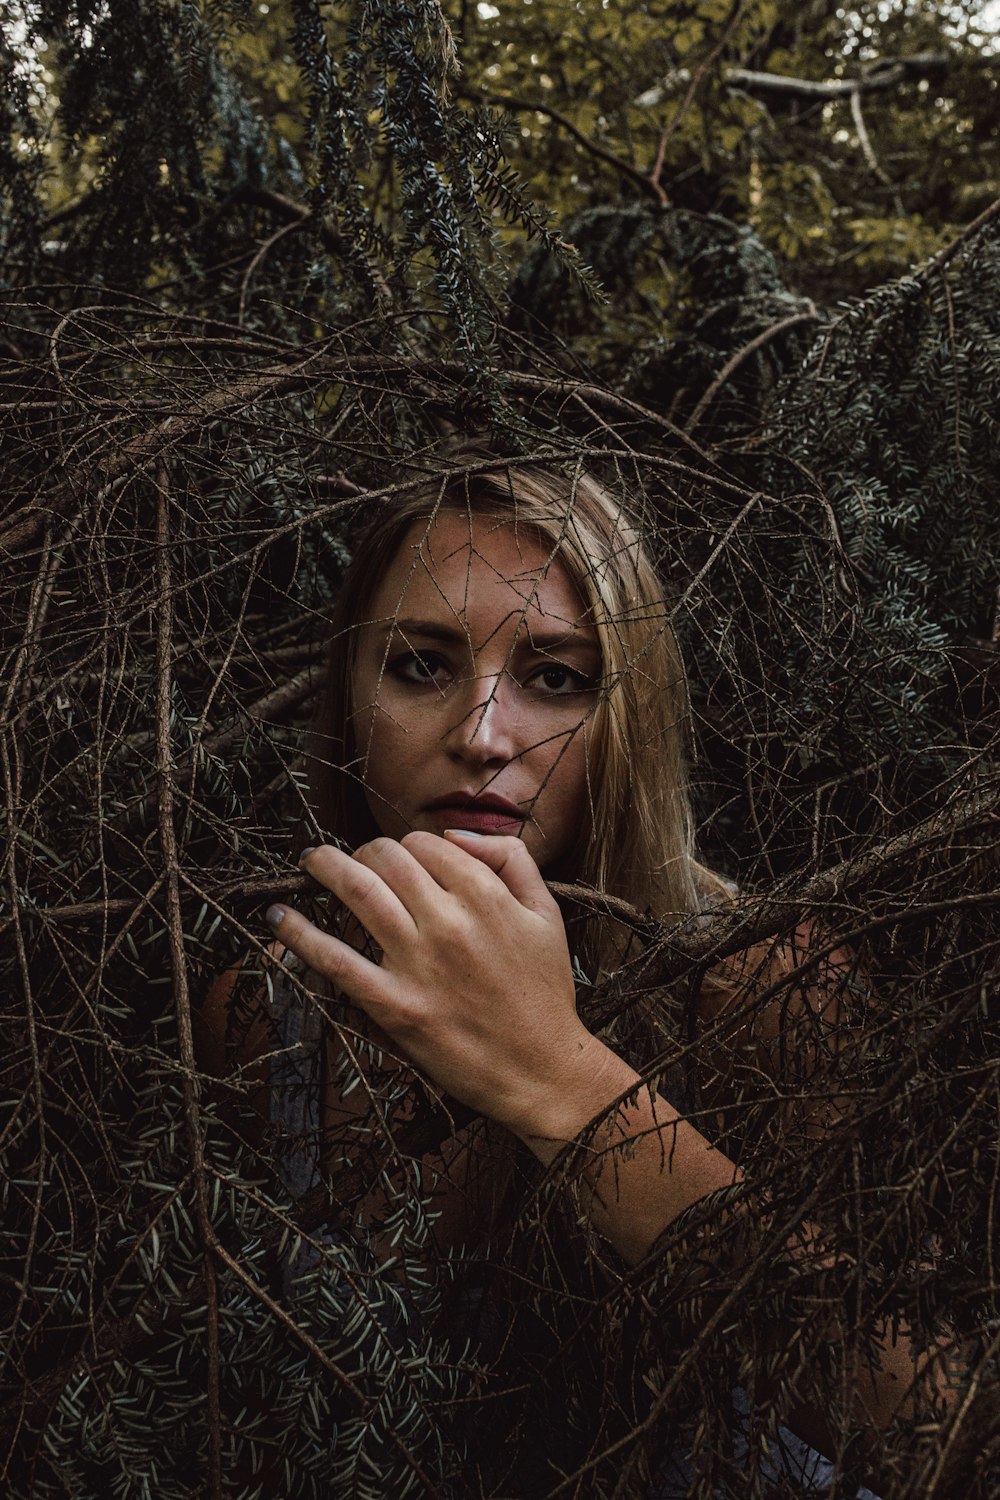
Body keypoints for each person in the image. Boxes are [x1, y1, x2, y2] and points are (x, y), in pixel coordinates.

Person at [202, 447, 959, 1496]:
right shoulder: (268, 1007)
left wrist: (555, 1074)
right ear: (346, 695)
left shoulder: (755, 982)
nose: (480, 736)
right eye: (419, 664)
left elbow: (932, 1425)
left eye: (554, 678)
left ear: (628, 717)